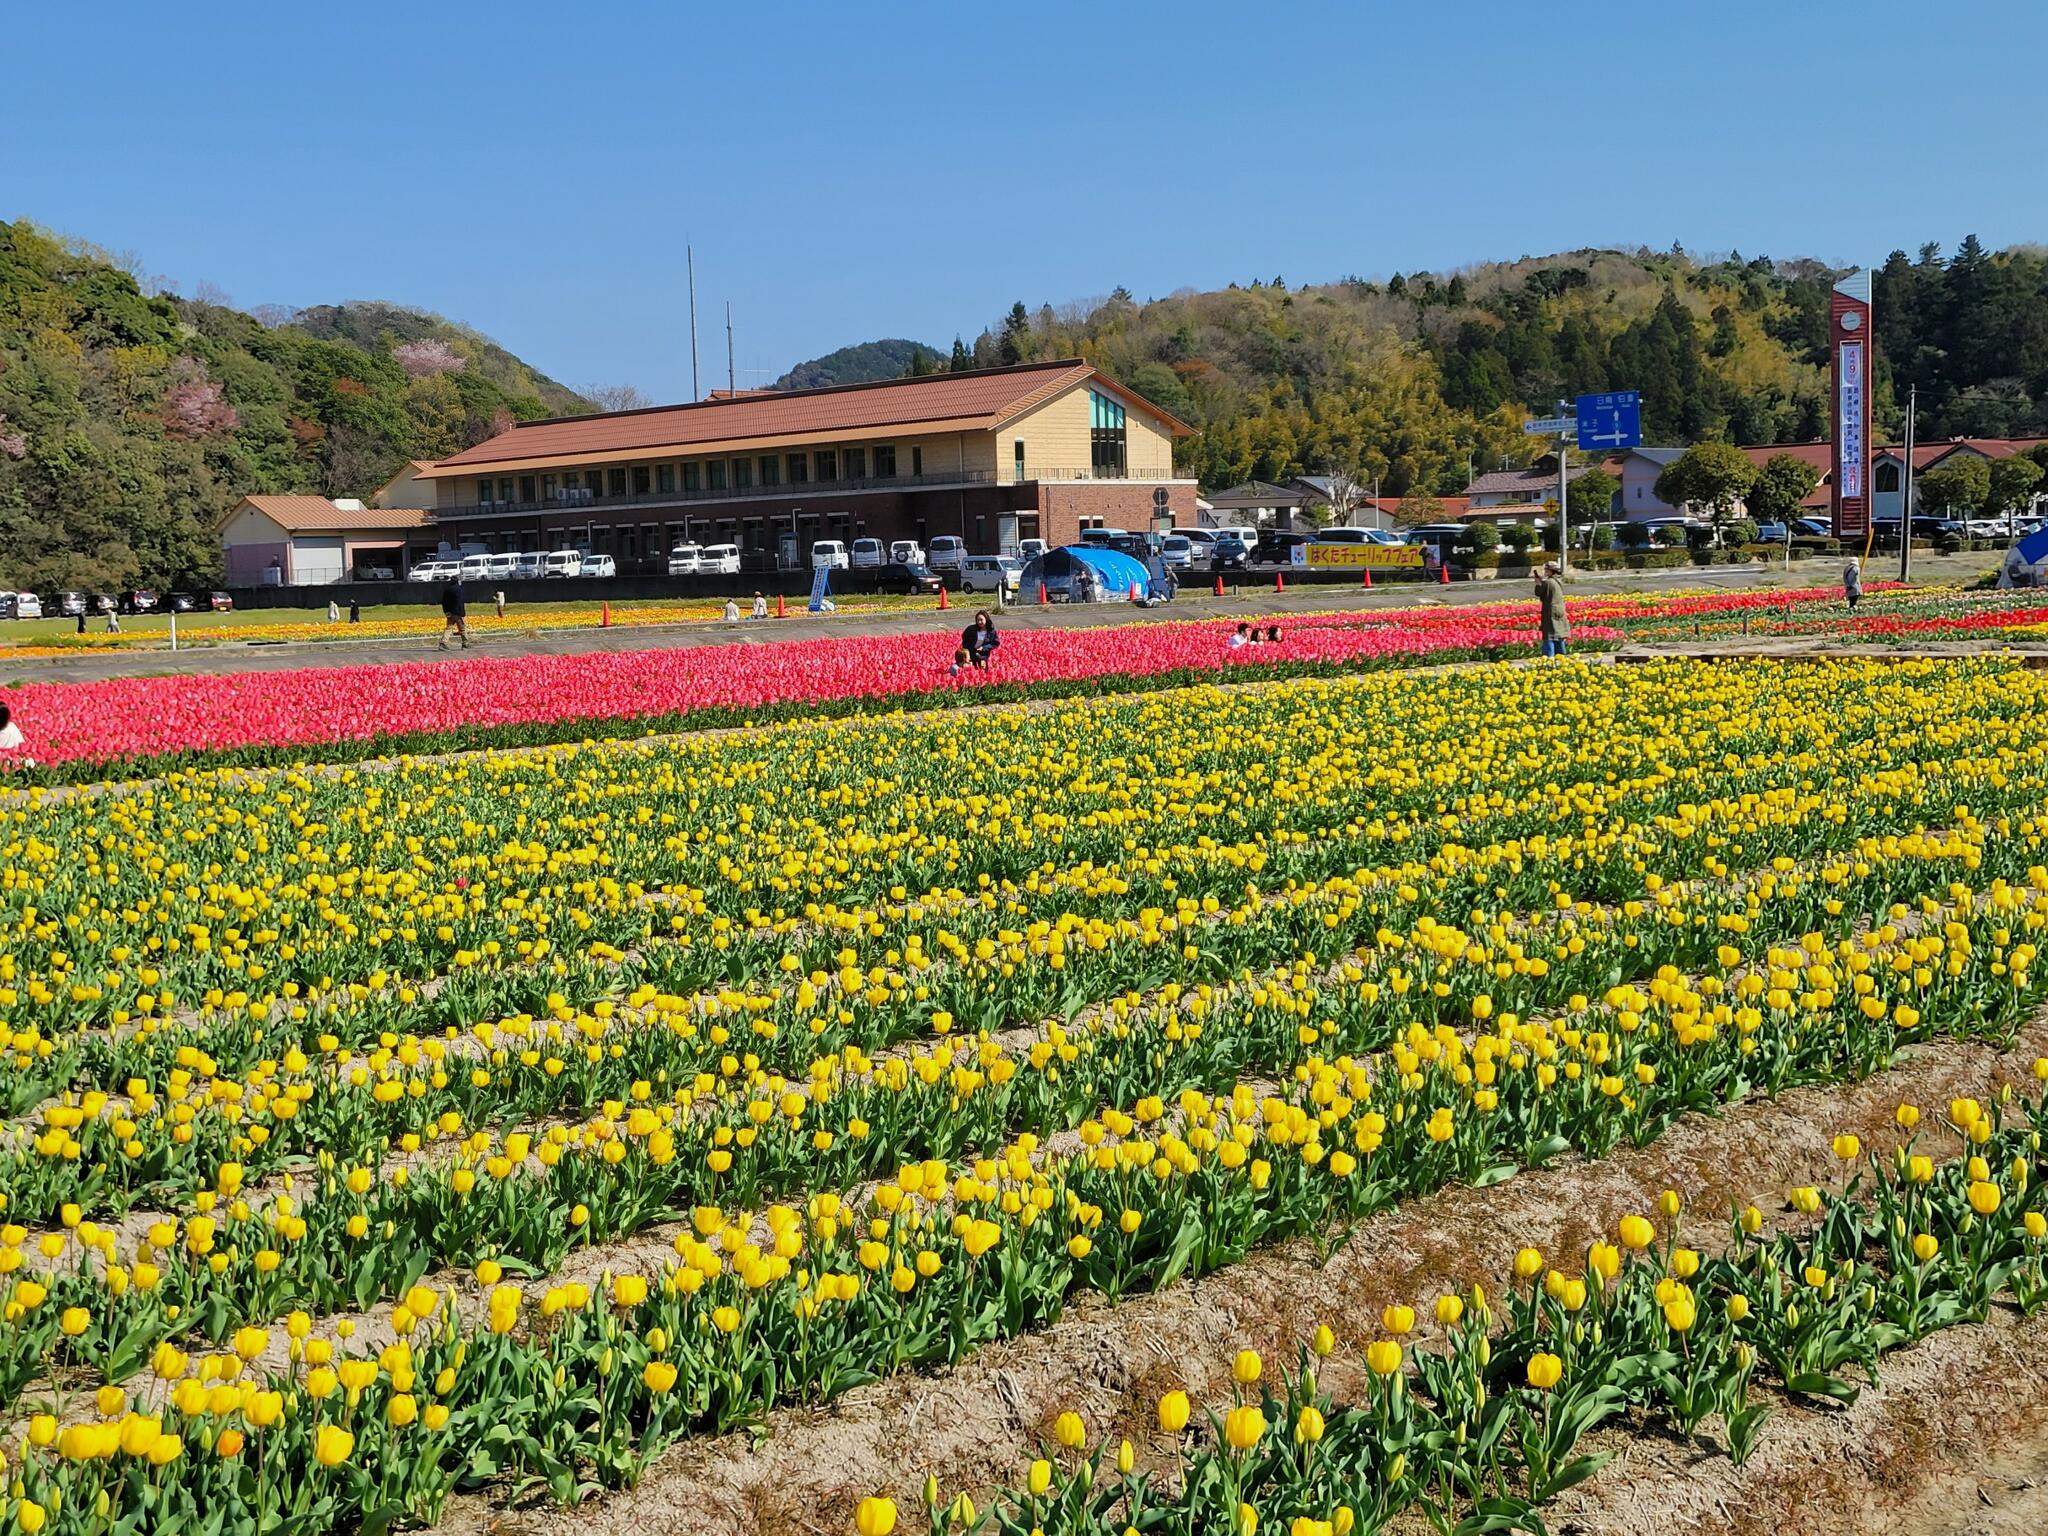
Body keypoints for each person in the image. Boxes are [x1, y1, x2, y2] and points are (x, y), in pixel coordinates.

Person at [1534, 561, 1570, 658]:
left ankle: (1549, 658)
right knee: (1559, 635)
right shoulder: (1557, 581)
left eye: (1546, 569)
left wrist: (1538, 584)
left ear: (1551, 571)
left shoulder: (1548, 582)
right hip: (1559, 611)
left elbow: (1540, 593)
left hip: (1551, 611)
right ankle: (1561, 657)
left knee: (1549, 635)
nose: (1545, 571)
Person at [438, 579, 468, 650]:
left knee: (449, 627)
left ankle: (443, 643)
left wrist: (446, 612)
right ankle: (465, 643)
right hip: (457, 612)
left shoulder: (447, 590)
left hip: (449, 613)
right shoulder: (459, 590)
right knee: (462, 628)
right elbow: (459, 602)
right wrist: (462, 614)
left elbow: (444, 602)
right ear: (457, 581)